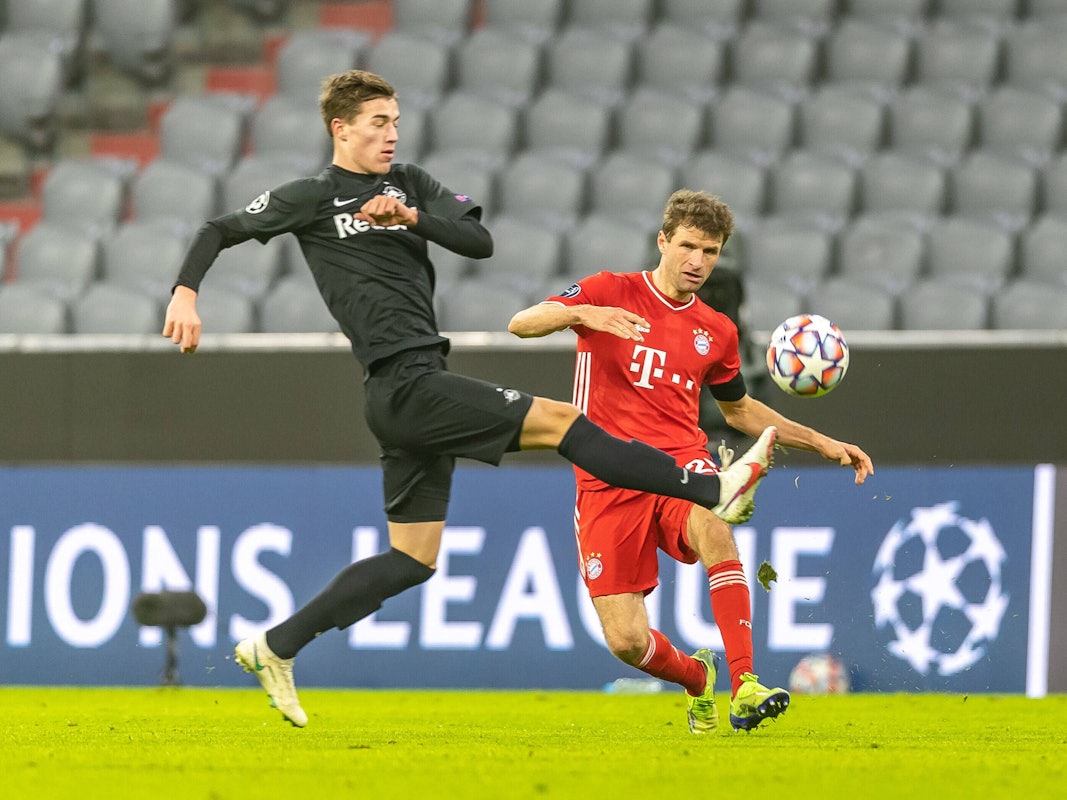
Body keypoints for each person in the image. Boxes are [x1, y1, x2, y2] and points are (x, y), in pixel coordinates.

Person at [161, 70, 777, 728]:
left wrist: (410, 215)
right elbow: (217, 229)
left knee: (412, 559)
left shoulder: (413, 185)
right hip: (401, 382)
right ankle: (708, 489)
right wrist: (185, 294)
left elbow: (478, 242)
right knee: (566, 420)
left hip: (413, 382)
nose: (391, 132)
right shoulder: (312, 198)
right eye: (377, 122)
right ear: (340, 129)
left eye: (396, 120)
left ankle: (275, 647)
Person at [508, 189, 874, 734]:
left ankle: (746, 684)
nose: (698, 261)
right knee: (628, 641)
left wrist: (820, 441)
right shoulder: (611, 290)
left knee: (715, 522)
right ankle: (698, 678)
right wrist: (582, 313)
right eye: (687, 246)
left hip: (679, 465)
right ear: (663, 241)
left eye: (711, 250)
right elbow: (521, 323)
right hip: (606, 478)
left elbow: (740, 409)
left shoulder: (717, 331)